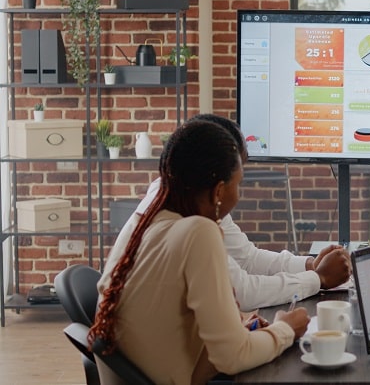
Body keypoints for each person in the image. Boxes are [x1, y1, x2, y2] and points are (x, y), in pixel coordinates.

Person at [90, 120, 311, 384]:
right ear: (218, 191)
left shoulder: (155, 218)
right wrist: (286, 328)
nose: (238, 194)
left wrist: (240, 328)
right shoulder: (198, 232)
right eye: (238, 184)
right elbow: (233, 356)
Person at [121, 113, 351, 311]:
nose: (240, 182)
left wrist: (309, 265)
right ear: (218, 179)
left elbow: (247, 258)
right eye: (237, 174)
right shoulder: (190, 226)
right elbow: (241, 293)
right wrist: (318, 279)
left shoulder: (187, 197)